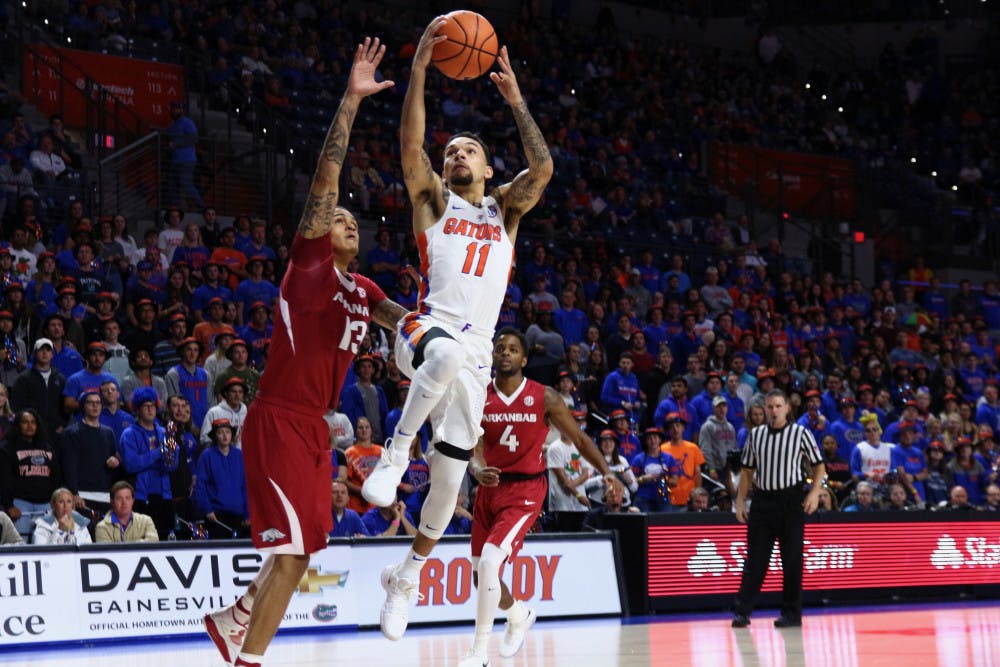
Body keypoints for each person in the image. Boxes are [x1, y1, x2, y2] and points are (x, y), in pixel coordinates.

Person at [201, 39, 404, 667]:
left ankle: (235, 617)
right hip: (280, 416)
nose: (344, 221)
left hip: (314, 429)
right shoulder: (309, 266)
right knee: (289, 555)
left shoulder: (363, 289)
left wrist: (442, 331)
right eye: (335, 217)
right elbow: (326, 176)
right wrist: (350, 99)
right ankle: (249, 659)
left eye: (350, 221)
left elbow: (405, 320)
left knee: (303, 545)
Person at [364, 18, 553, 644]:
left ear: (488, 164)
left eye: (467, 149)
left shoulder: (506, 211)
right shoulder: (434, 203)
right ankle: (395, 452)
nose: (456, 155)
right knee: (439, 357)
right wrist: (418, 67)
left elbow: (544, 167)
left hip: (477, 352)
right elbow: (410, 145)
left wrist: (516, 102)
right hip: (427, 327)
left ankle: (408, 573)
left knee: (448, 480)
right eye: (452, 152)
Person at [461, 328, 617, 666]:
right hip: (488, 490)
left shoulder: (544, 397)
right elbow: (474, 448)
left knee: (489, 563)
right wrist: (476, 469)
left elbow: (579, 438)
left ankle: (478, 653)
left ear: (524, 359)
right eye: (500, 348)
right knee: (480, 577)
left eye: (513, 349)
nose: (505, 352)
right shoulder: (478, 395)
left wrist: (606, 472)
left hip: (526, 491)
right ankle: (518, 614)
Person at [732, 389, 825, 629]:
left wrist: (815, 493)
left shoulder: (800, 433)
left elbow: (819, 466)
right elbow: (747, 472)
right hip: (763, 501)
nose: (773, 410)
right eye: (769, 406)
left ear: (787, 408)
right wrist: (740, 502)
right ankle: (742, 612)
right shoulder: (756, 435)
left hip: (791, 500)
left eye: (778, 406)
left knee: (792, 560)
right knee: (755, 560)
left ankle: (792, 614)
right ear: (764, 408)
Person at [0, 408, 62, 539]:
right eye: (25, 422)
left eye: (33, 422)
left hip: (46, 505)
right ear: (18, 425)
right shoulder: (7, 447)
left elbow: (56, 476)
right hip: (20, 505)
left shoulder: (47, 446)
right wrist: (9, 505)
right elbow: (5, 479)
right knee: (20, 544)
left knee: (46, 543)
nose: (30, 426)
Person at [60, 390, 119, 517]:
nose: (95, 406)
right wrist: (74, 493)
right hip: (81, 495)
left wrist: (115, 461)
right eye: (90, 402)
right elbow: (69, 465)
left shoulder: (108, 433)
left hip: (104, 494)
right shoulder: (72, 433)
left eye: (98, 402)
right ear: (83, 406)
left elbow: (113, 458)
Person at [194, 418, 250, 539]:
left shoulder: (239, 455)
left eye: (228, 432)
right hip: (216, 516)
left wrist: (247, 514)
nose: (225, 436)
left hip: (238, 514)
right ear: (215, 436)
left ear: (232, 435)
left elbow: (245, 486)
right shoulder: (206, 456)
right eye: (220, 432)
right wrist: (207, 509)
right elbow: (200, 486)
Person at [94, 480, 159, 542]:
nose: (124, 502)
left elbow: (154, 542)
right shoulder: (102, 527)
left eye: (127, 498)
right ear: (112, 501)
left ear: (133, 501)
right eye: (119, 498)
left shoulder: (146, 521)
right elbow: (107, 552)